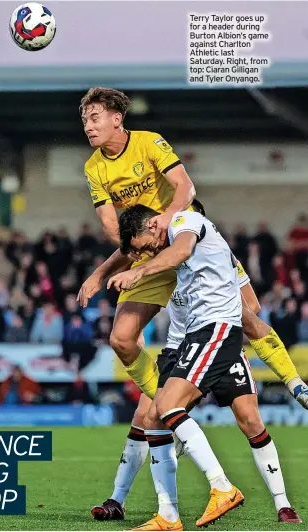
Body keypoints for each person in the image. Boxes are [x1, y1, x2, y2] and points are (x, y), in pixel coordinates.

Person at [90, 200, 308, 522]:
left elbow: (254, 315)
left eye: (146, 247)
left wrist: (293, 382)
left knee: (246, 419)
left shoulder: (187, 232)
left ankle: (275, 501)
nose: (148, 252)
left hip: (215, 337)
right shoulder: (167, 261)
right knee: (150, 416)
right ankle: (142, 506)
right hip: (184, 345)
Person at [77, 86, 196, 403]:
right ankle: (167, 405)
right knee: (122, 339)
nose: (88, 126)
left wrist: (168, 217)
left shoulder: (148, 141)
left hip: (185, 238)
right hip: (144, 251)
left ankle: (292, 383)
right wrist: (130, 252)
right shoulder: (94, 167)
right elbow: (110, 225)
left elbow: (185, 186)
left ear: (117, 119)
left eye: (95, 118)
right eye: (85, 120)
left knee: (249, 314)